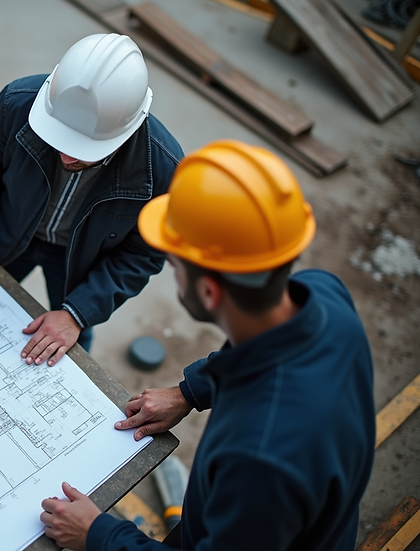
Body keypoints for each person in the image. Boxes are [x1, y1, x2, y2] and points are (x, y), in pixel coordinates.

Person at [39, 140, 376, 550]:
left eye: (175, 266)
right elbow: (262, 349)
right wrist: (191, 391)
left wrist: (99, 535)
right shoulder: (323, 295)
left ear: (209, 292)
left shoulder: (257, 460)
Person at [0, 33, 183, 367]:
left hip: (83, 263)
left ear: (127, 129)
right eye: (61, 137)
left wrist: (77, 313)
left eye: (84, 147)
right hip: (10, 230)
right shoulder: (16, 104)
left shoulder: (162, 170)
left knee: (68, 342)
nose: (67, 156)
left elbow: (143, 254)